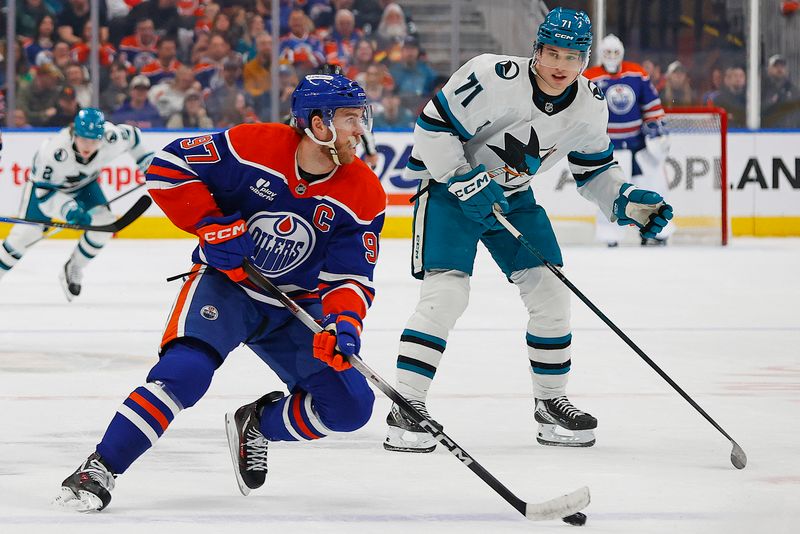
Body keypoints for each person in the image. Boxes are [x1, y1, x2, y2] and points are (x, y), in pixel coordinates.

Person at [53, 73, 386, 512]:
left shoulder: (364, 192)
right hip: (226, 287)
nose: (359, 130)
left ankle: (258, 425)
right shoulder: (252, 146)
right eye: (349, 119)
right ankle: (100, 467)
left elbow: (349, 278)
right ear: (317, 123)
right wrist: (209, 223)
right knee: (185, 373)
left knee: (349, 407)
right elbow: (168, 167)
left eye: (361, 118)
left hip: (295, 305)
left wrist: (344, 324)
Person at [383, 8, 672, 453]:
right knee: (447, 295)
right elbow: (430, 128)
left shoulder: (591, 105)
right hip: (448, 191)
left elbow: (594, 171)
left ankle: (550, 404)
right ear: (535, 50)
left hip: (512, 199)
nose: (560, 65)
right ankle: (408, 405)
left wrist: (627, 201)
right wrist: (461, 177)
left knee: (552, 293)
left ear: (585, 59)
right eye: (552, 53)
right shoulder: (491, 75)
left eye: (572, 57)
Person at [0, 108, 154, 300]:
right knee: (25, 236)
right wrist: (69, 211)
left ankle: (74, 267)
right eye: (83, 139)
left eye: (94, 140)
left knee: (103, 225)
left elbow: (134, 137)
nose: (88, 146)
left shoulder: (111, 137)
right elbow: (45, 196)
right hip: (46, 190)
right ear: (75, 133)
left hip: (84, 186)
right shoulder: (55, 153)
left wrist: (148, 165)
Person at [584, 34, 673, 246]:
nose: (612, 57)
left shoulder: (637, 74)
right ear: (600, 54)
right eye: (607, 53)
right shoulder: (590, 77)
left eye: (616, 52)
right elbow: (583, 110)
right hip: (609, 145)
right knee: (611, 192)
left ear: (622, 53)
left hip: (637, 143)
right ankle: (610, 235)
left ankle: (656, 231)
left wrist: (656, 128)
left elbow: (651, 104)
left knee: (651, 186)